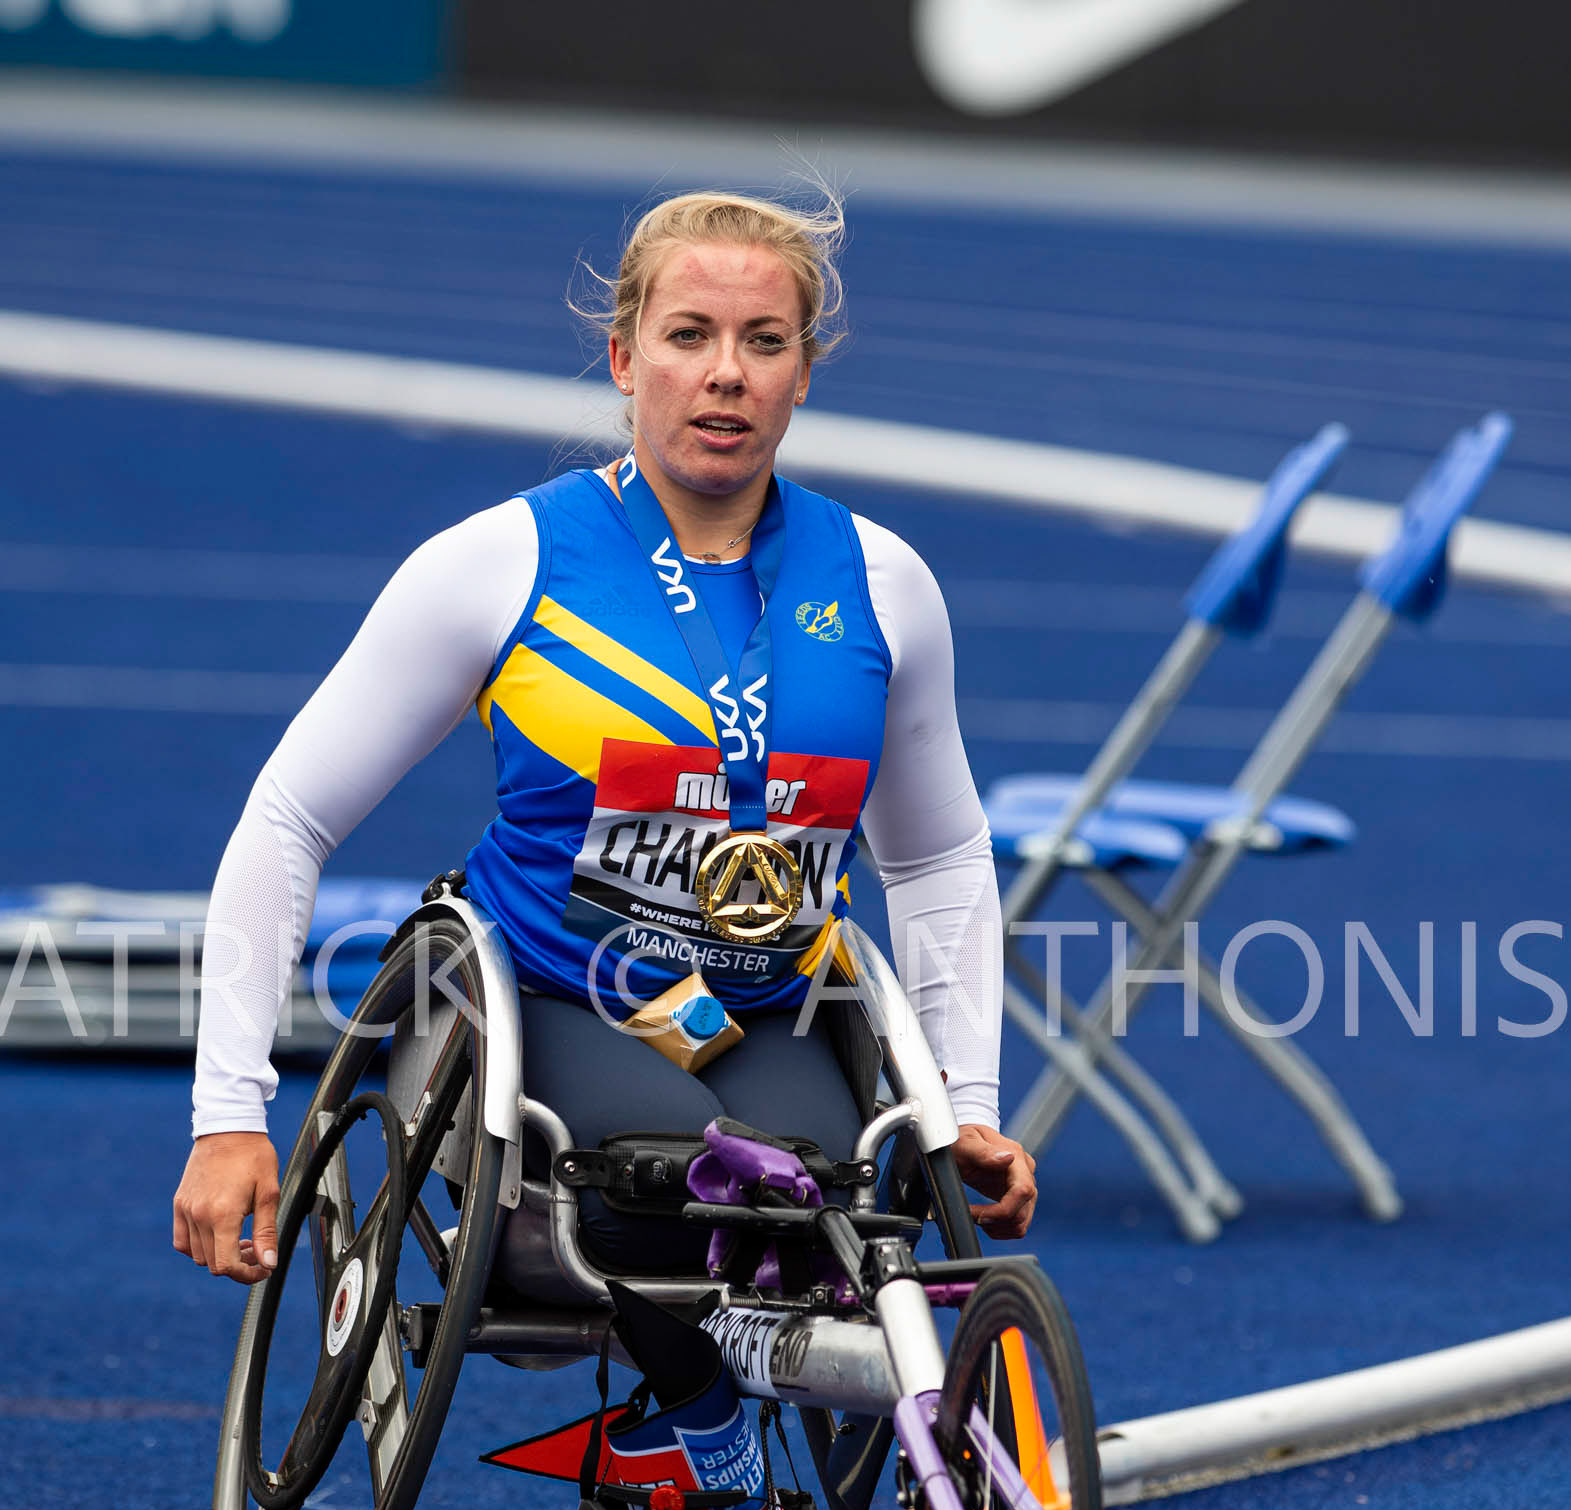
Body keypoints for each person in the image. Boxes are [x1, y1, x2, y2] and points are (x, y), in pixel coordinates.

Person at [172, 187, 1036, 1284]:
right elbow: (288, 818)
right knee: (664, 1182)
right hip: (546, 992)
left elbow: (937, 857)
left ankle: (680, 1426)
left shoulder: (883, 583)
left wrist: (964, 1105)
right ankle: (695, 1423)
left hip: (761, 1004)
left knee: (824, 1207)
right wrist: (227, 1114)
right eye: (689, 335)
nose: (727, 372)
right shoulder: (497, 564)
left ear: (802, 374)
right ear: (627, 361)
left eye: (763, 342)